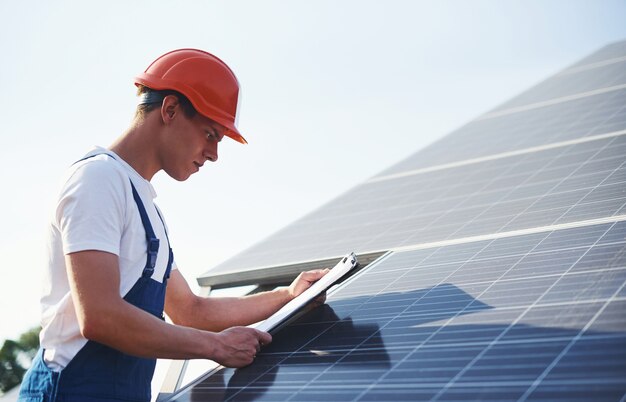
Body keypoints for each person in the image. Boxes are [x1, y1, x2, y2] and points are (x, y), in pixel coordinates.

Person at [17, 49, 329, 402]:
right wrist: (215, 346)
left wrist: (287, 296)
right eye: (210, 135)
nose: (214, 155)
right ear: (169, 110)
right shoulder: (97, 179)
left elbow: (189, 311)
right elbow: (100, 316)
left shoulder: (147, 208)